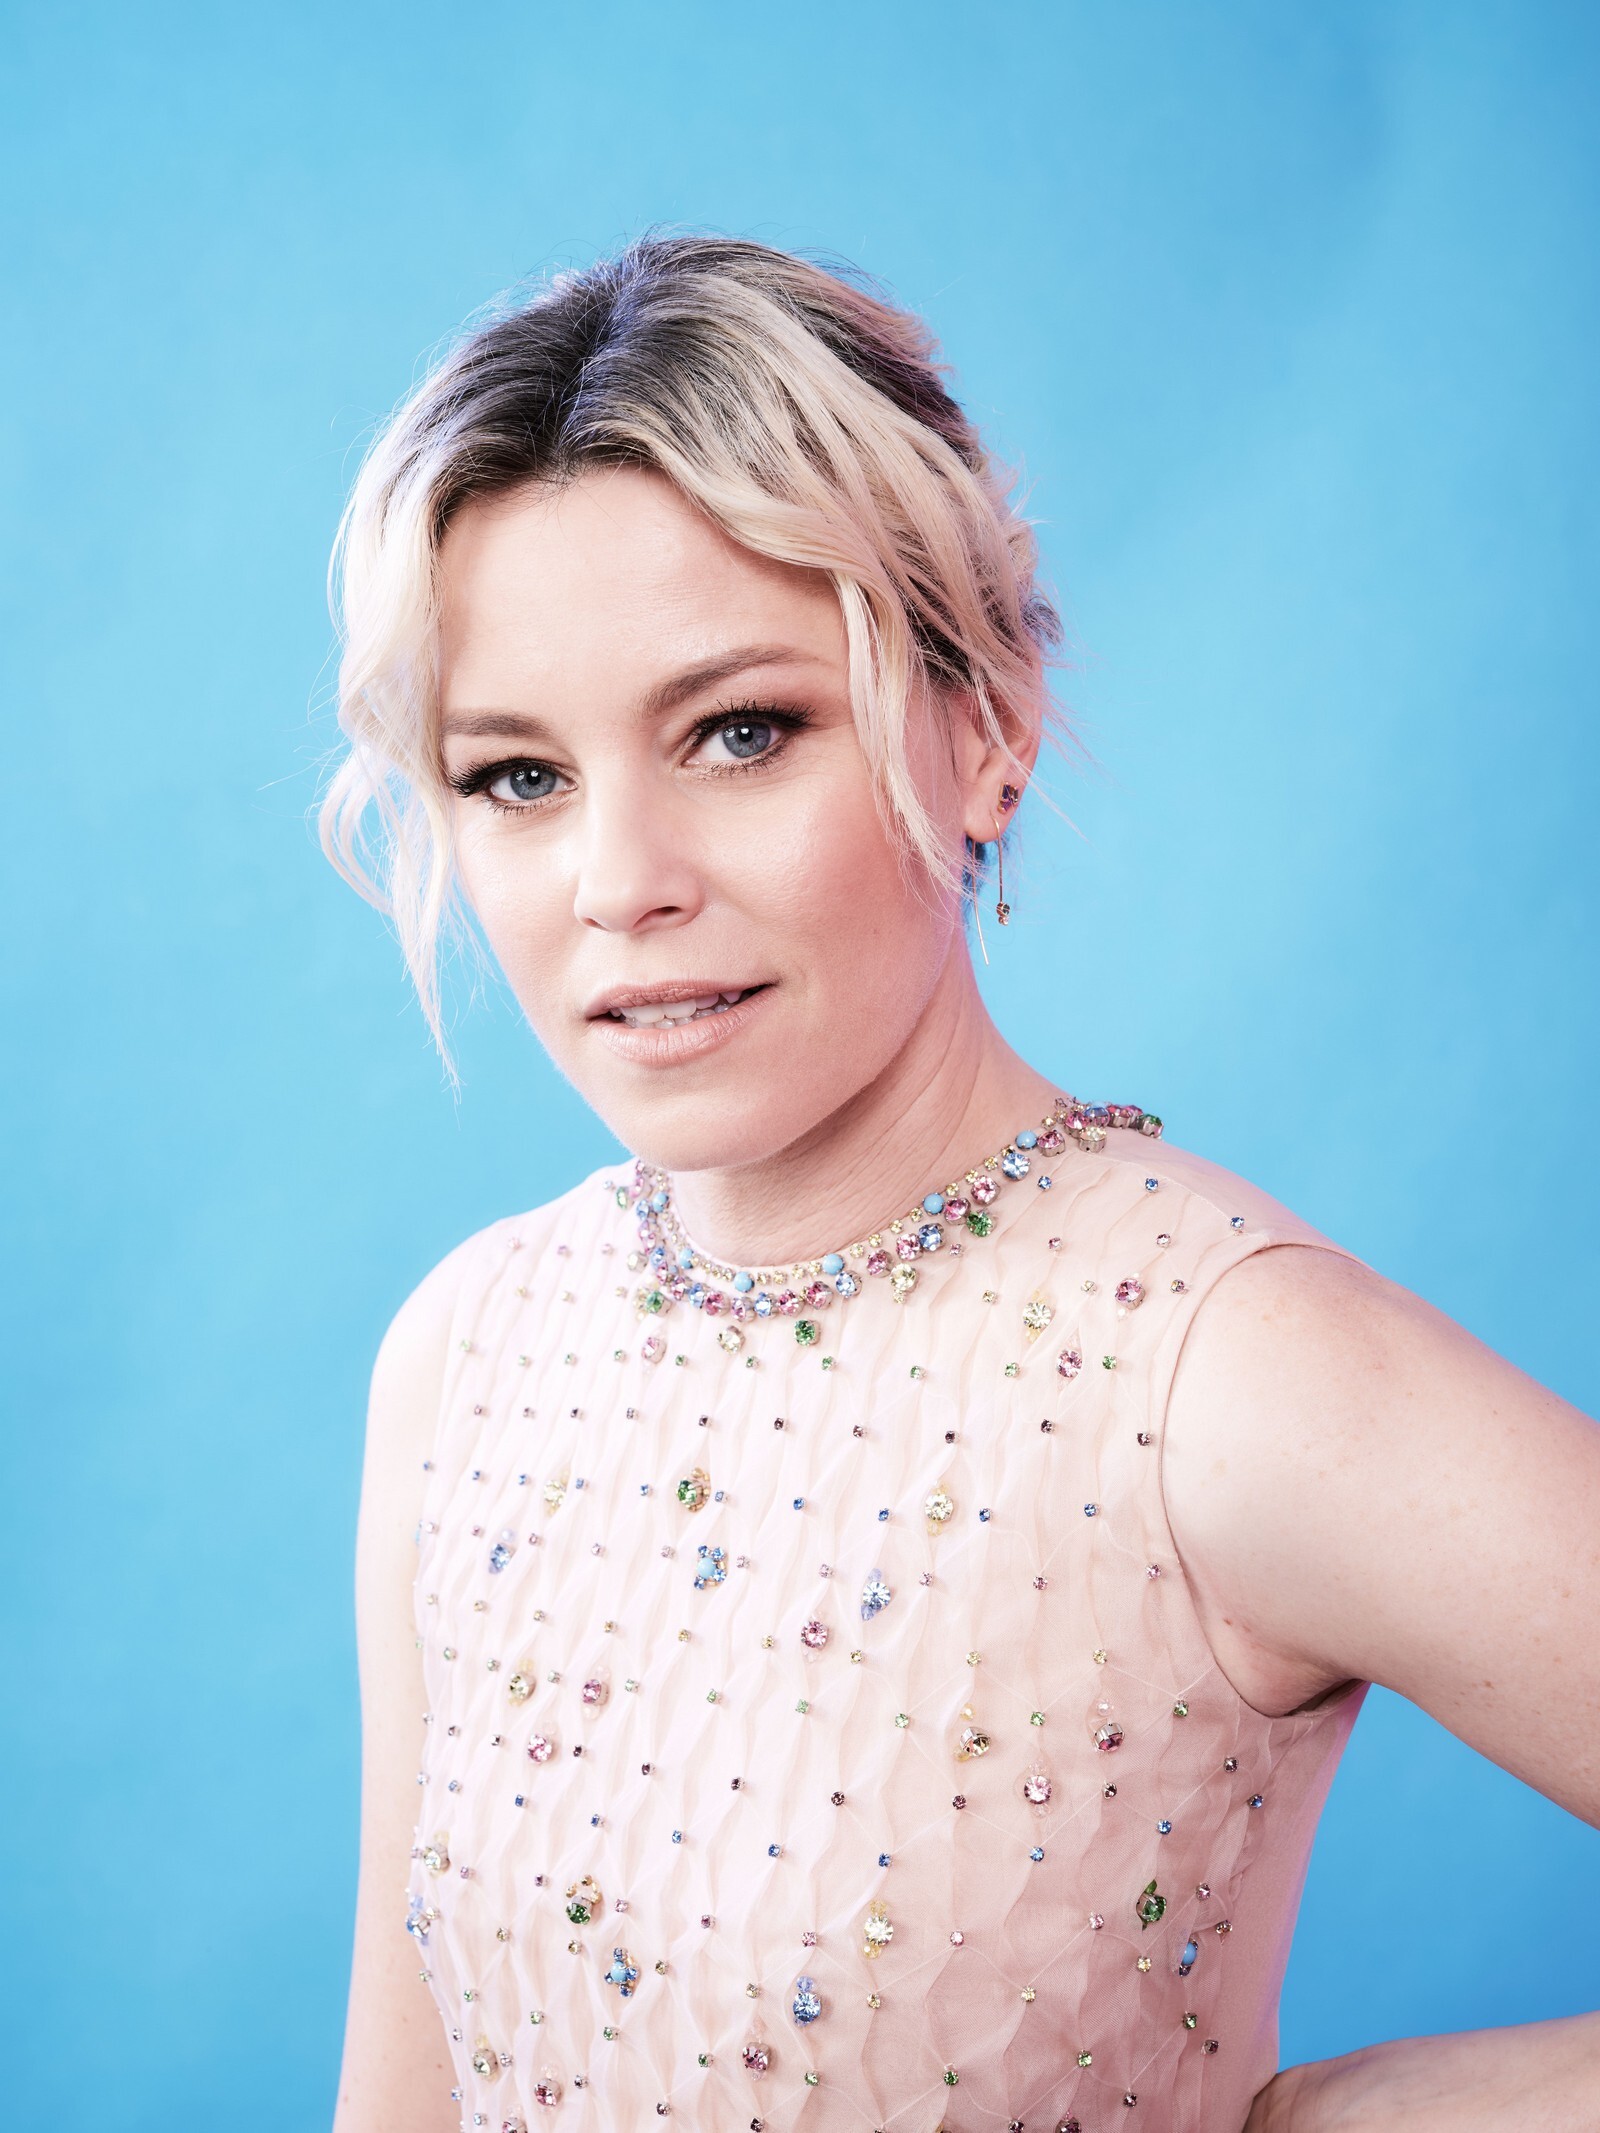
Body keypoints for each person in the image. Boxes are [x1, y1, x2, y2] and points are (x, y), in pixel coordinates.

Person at [322, 236, 1599, 2133]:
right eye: (517, 775)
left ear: (985, 732)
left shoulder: (1216, 1374)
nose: (619, 882)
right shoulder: (470, 1350)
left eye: (740, 731)